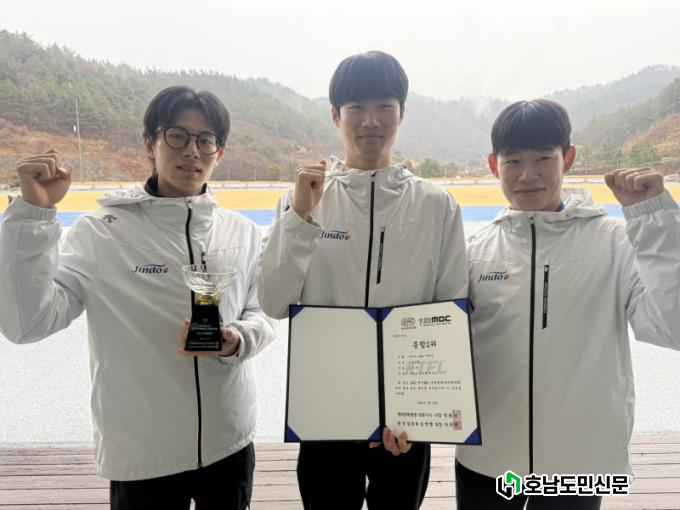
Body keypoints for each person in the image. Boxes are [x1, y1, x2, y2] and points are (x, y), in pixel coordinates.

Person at [0, 86, 276, 510]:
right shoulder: (101, 232)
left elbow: (262, 312)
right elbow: (28, 323)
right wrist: (33, 216)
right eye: (177, 136)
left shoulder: (240, 231)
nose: (192, 151)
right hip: (144, 454)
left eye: (206, 140)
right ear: (150, 143)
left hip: (229, 443)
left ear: (219, 152)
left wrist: (237, 339)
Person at [257, 51, 468, 509]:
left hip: (406, 425)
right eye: (356, 107)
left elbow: (450, 313)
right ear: (336, 115)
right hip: (324, 413)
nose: (371, 120)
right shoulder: (301, 200)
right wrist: (300, 217)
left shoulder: (436, 205)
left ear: (402, 112)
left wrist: (422, 411)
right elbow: (273, 302)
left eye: (384, 106)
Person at [455, 99, 680, 509]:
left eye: (543, 158)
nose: (528, 174)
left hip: (578, 464)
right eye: (513, 160)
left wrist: (655, 220)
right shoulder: (475, 251)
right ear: (493, 165)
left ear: (568, 158)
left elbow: (672, 327)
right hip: (487, 461)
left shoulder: (615, 241)